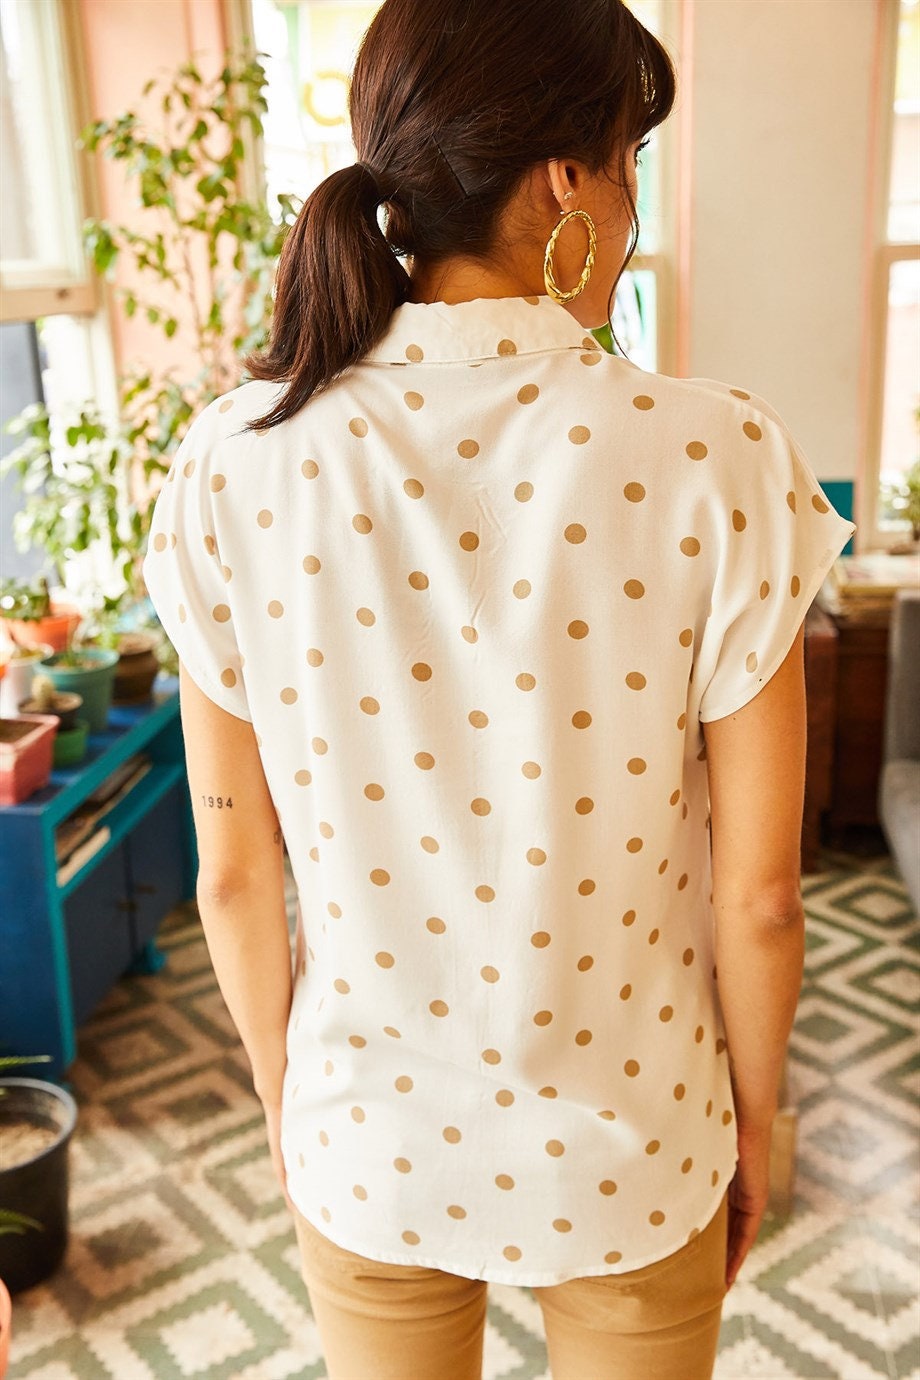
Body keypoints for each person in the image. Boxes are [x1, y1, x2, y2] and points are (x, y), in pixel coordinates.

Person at [141, 0, 857, 1376]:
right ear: (566, 182)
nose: (634, 208)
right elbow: (761, 897)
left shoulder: (234, 461)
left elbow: (232, 877)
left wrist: (298, 1114)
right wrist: (752, 1126)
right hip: (637, 1144)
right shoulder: (714, 458)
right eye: (632, 163)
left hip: (369, 1143)